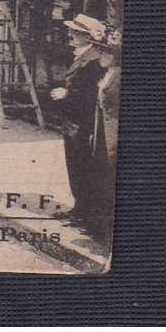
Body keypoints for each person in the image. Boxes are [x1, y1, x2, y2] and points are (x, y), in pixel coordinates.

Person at [50, 14, 118, 244]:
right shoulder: (83, 56)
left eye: (76, 33)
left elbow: (92, 96)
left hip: (83, 124)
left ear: (87, 37)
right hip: (73, 122)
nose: (70, 35)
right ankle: (79, 210)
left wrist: (66, 95)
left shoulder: (95, 60)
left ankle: (86, 214)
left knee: (84, 169)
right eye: (71, 32)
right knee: (76, 167)